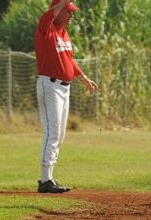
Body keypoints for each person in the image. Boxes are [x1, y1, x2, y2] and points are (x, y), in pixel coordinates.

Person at [34, 0, 98, 193]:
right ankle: (45, 181)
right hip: (50, 85)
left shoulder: (64, 34)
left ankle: (49, 178)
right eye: (68, 11)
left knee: (60, 135)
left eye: (72, 12)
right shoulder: (47, 29)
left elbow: (68, 60)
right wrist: (62, 2)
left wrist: (84, 78)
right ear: (59, 11)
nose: (71, 15)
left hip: (64, 88)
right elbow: (47, 16)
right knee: (52, 132)